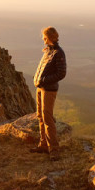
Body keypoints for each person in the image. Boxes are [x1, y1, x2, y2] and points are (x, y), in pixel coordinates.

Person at [30, 27, 67, 161]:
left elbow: (61, 73)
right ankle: (43, 145)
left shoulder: (58, 52)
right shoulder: (48, 51)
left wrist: (44, 80)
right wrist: (37, 80)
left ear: (50, 37)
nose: (43, 39)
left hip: (49, 89)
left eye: (44, 37)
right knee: (40, 116)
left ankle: (54, 149)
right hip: (40, 88)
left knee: (47, 118)